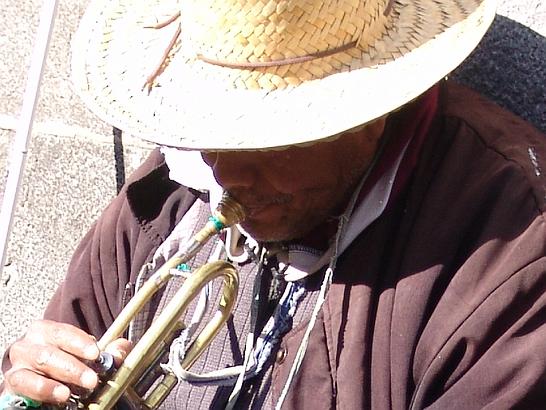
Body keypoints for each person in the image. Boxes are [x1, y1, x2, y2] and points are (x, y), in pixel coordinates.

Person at [2, 0, 546, 408]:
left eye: (267, 138)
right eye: (206, 124)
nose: (225, 171)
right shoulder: (174, 188)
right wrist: (30, 383)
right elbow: (62, 347)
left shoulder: (512, 247)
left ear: (367, 107)